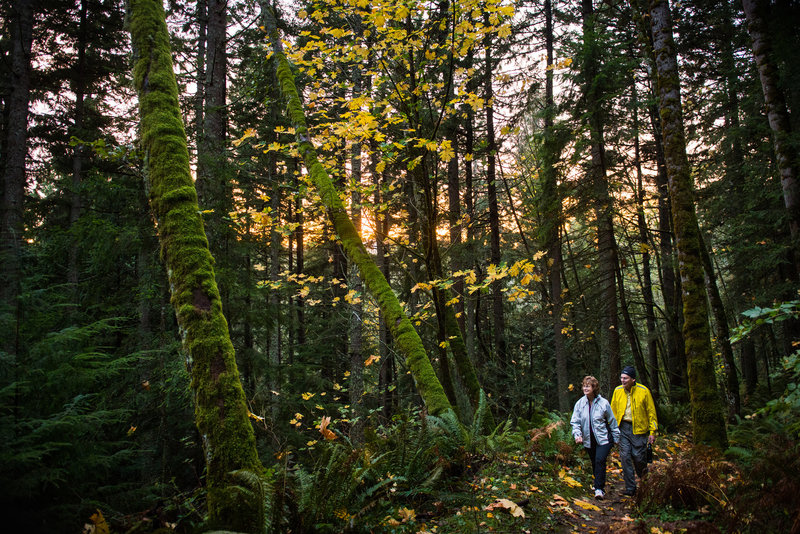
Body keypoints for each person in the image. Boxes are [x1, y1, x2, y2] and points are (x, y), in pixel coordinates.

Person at [610, 365, 658, 497]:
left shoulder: (644, 391)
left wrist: (652, 432)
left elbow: (651, 412)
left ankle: (645, 483)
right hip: (623, 428)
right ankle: (630, 488)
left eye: (625, 378)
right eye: (621, 378)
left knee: (638, 457)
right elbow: (612, 411)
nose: (623, 380)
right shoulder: (617, 391)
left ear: (633, 379)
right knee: (625, 457)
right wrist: (613, 429)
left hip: (639, 429)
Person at [570, 375, 620, 500]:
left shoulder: (604, 403)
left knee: (599, 460)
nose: (586, 388)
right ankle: (598, 482)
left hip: (604, 439)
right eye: (584, 386)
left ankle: (599, 489)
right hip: (589, 439)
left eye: (588, 386)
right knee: (594, 462)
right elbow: (575, 422)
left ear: (594, 387)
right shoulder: (580, 403)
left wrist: (616, 438)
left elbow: (612, 421)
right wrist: (577, 435)